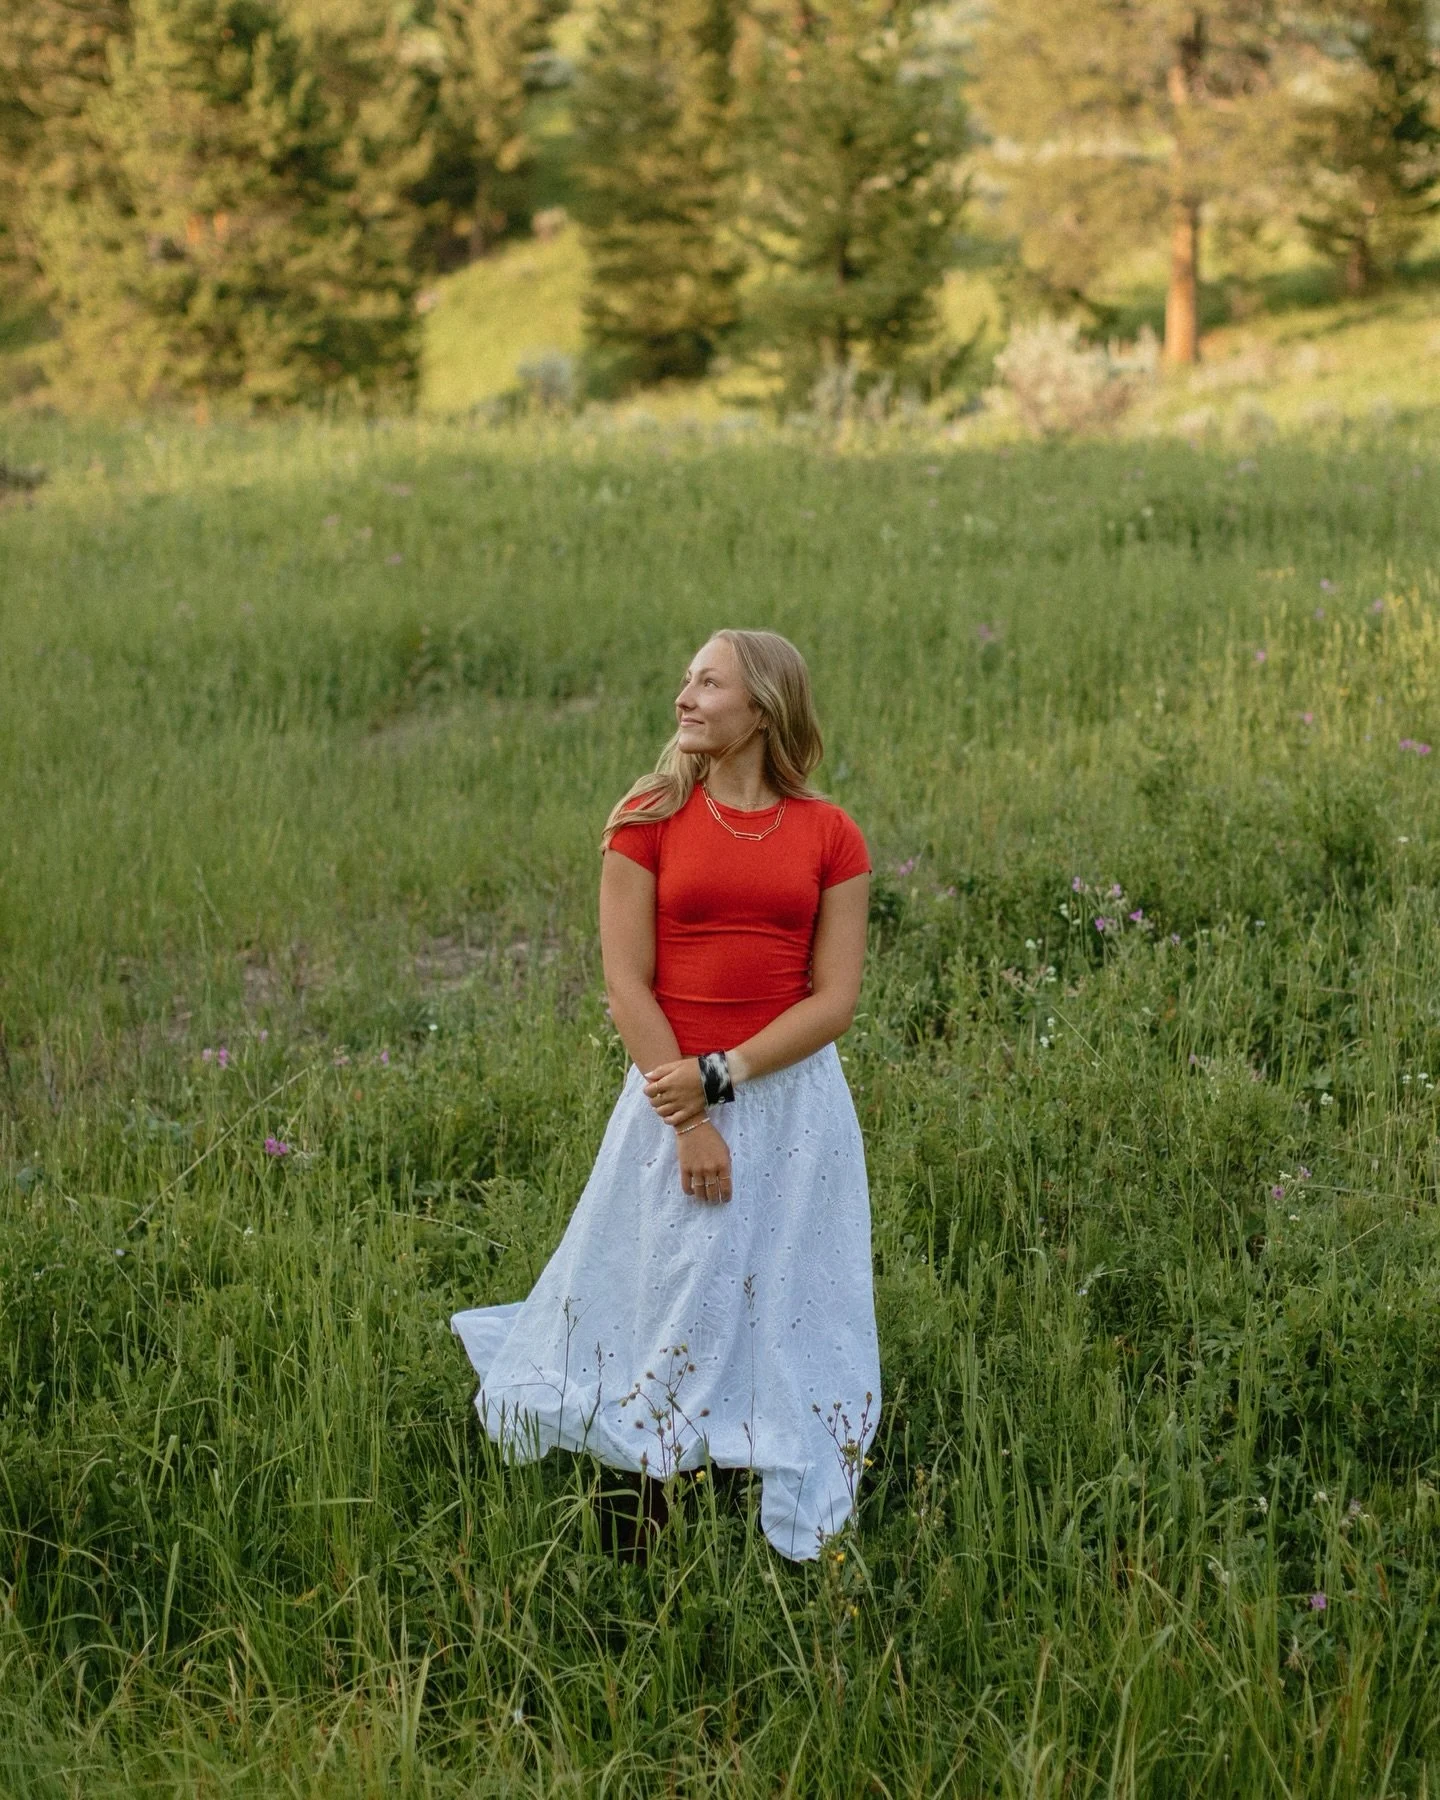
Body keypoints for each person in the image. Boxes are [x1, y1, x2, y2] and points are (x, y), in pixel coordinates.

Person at [450, 628, 880, 1560]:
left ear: (762, 707)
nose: (684, 697)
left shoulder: (830, 834)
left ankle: (751, 1465)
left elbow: (835, 999)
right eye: (684, 679)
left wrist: (725, 1077)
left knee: (782, 1293)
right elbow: (625, 984)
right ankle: (639, 1514)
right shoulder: (645, 816)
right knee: (677, 1288)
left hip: (791, 1102)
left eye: (708, 683)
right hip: (666, 1091)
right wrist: (688, 1115)